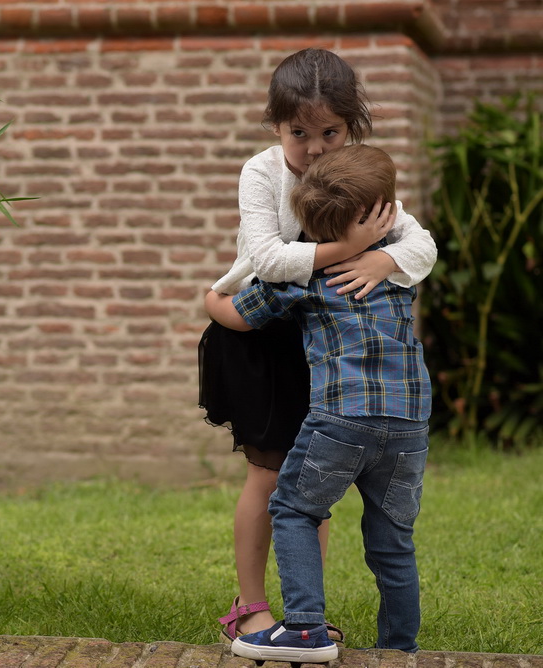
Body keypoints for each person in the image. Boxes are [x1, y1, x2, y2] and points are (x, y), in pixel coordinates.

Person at [199, 48, 437, 644]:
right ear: (276, 128)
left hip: (334, 352)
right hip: (262, 330)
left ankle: (306, 612)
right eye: (297, 133)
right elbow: (271, 261)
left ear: (351, 126)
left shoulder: (360, 177)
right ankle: (251, 607)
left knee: (314, 482)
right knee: (270, 475)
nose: (313, 148)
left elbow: (423, 247)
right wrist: (352, 245)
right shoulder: (261, 173)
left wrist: (382, 256)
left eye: (329, 132)